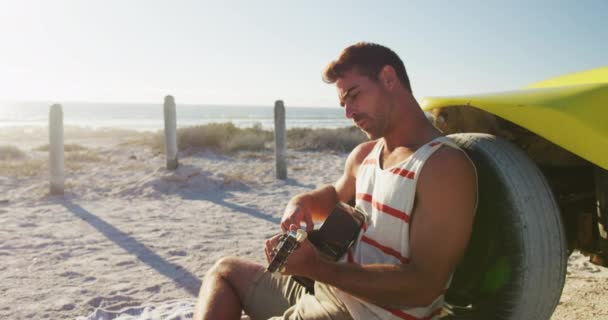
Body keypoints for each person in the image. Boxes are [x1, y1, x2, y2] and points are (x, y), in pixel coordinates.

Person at [193, 42, 477, 320]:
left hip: (362, 312)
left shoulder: (441, 167)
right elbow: (332, 197)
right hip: (326, 291)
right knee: (224, 271)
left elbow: (423, 287)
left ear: (389, 78)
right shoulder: (365, 154)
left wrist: (316, 267)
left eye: (354, 95)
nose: (348, 113)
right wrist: (300, 203)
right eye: (343, 103)